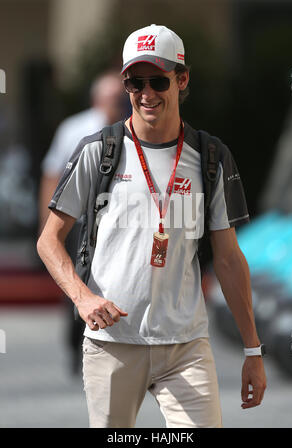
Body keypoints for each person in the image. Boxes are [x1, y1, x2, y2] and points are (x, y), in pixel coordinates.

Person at [37, 24, 267, 428]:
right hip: (111, 347)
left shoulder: (211, 157)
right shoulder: (99, 151)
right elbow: (49, 242)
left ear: (182, 79)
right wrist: (83, 298)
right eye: (134, 82)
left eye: (158, 80)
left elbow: (229, 260)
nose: (146, 94)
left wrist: (252, 351)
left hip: (186, 348)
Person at [38, 71, 127, 374]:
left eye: (121, 95)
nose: (119, 101)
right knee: (78, 278)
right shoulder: (74, 128)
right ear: (97, 99)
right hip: (79, 220)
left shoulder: (133, 130)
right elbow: (52, 173)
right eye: (114, 96)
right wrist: (46, 223)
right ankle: (77, 346)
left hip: (116, 221)